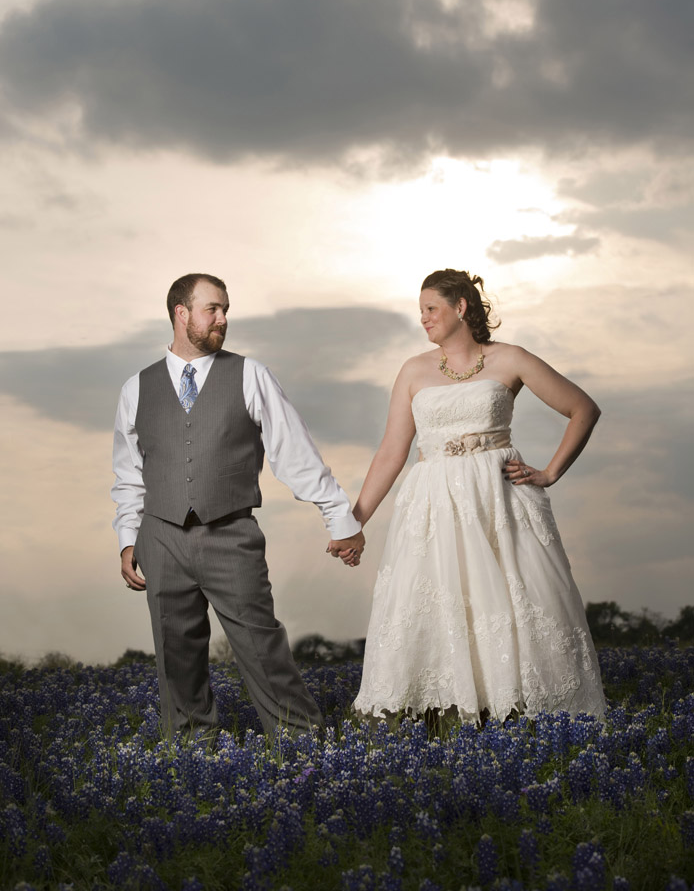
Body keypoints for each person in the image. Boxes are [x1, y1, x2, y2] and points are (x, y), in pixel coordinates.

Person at [112, 272, 365, 738]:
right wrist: (128, 538)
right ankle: (191, 746)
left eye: (226, 309)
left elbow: (295, 454)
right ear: (180, 313)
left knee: (259, 643)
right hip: (160, 536)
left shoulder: (251, 374)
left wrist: (339, 517)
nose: (224, 319)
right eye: (214, 309)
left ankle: (300, 741)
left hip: (230, 532)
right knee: (175, 652)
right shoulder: (136, 388)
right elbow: (129, 474)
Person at [350, 268, 606, 724]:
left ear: (461, 307)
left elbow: (583, 408)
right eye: (421, 311)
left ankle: (523, 715)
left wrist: (549, 473)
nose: (423, 320)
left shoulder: (510, 359)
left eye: (431, 309)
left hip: (499, 502)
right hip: (432, 506)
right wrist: (354, 521)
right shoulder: (413, 370)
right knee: (437, 602)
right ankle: (445, 719)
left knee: (515, 603)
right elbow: (392, 451)